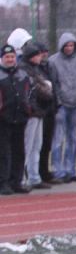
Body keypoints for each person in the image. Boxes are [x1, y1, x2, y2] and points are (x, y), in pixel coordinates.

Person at [49, 32, 76, 183]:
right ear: (61, 46)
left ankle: (71, 170)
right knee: (58, 139)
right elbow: (53, 84)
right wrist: (59, 101)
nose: (69, 48)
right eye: (66, 45)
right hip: (61, 106)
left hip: (75, 105)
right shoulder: (53, 61)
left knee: (73, 139)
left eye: (71, 45)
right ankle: (58, 171)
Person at [19, 42, 55, 190]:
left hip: (39, 111)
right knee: (27, 146)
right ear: (31, 57)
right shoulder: (25, 70)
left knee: (37, 145)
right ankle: (21, 178)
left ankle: (34, 177)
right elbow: (37, 90)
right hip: (31, 112)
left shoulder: (35, 69)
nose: (41, 57)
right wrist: (46, 89)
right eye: (38, 54)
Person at [1, 43, 33, 195]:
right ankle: (4, 182)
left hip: (20, 118)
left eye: (12, 56)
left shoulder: (23, 74)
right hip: (3, 119)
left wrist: (28, 109)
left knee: (19, 152)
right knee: (4, 152)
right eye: (7, 57)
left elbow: (29, 93)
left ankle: (17, 181)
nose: (10, 59)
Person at [36, 43, 59, 184]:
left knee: (47, 143)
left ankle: (44, 171)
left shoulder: (50, 66)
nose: (43, 54)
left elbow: (56, 85)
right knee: (38, 144)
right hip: (41, 110)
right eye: (41, 52)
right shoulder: (35, 69)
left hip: (51, 109)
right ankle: (37, 172)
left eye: (45, 51)